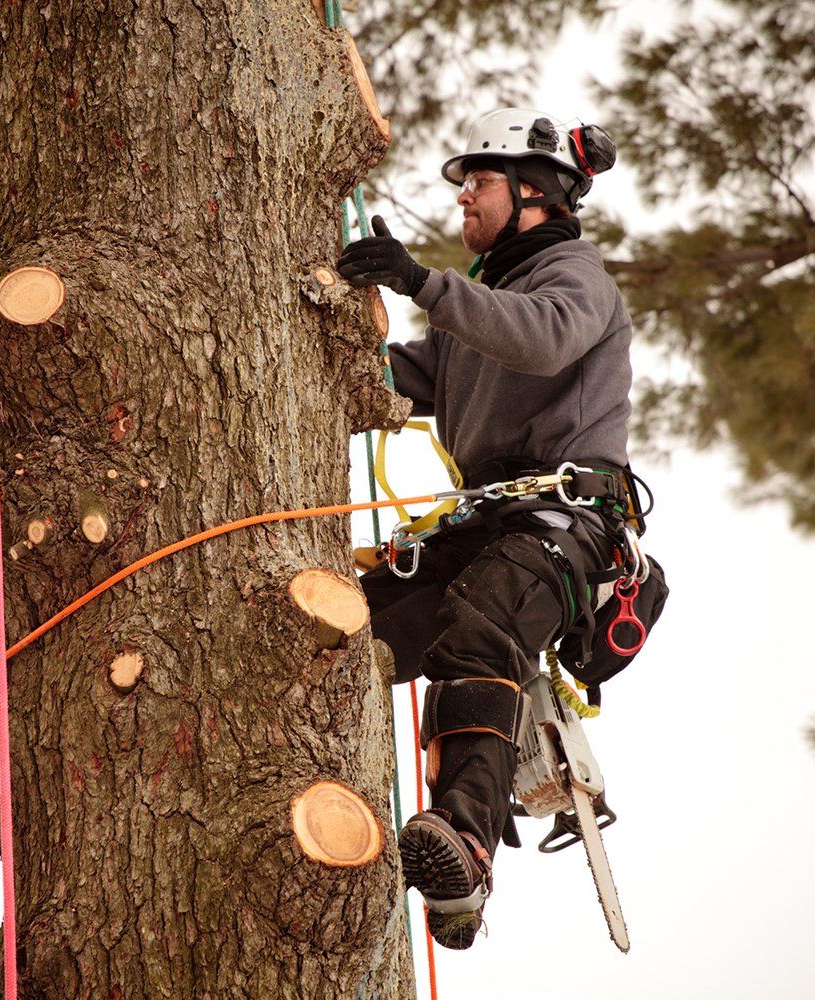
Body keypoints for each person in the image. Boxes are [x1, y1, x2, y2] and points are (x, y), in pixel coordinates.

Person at [336, 108, 636, 950]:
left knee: (480, 628)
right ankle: (428, 870)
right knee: (345, 632)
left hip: (561, 524)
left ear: (535, 191)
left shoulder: (575, 279)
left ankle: (464, 843)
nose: (463, 196)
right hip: (484, 523)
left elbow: (541, 345)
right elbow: (411, 378)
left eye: (479, 181)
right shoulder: (489, 298)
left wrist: (421, 282)